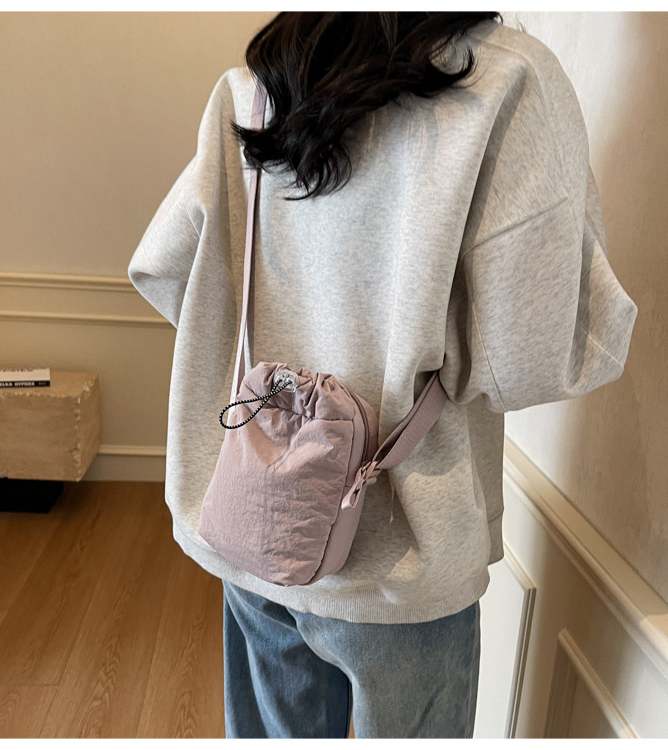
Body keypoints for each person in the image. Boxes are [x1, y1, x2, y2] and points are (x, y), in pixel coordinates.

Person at [128, 12, 638, 739]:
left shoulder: (258, 88)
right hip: (402, 559)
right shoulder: (509, 81)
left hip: (254, 524)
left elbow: (169, 272)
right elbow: (531, 357)